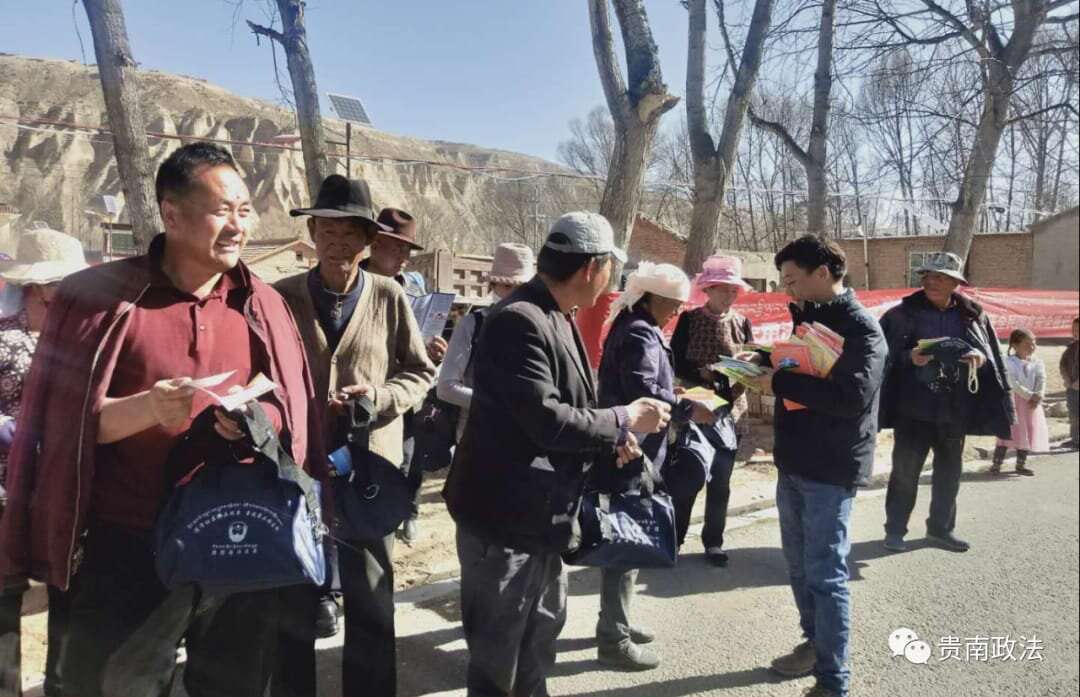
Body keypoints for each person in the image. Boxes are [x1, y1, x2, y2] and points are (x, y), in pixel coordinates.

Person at [0, 142, 323, 697]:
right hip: (127, 544)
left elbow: (292, 413)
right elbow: (61, 430)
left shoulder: (263, 304)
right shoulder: (100, 298)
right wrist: (147, 407)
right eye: (223, 209)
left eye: (245, 210)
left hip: (237, 537)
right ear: (171, 213)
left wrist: (254, 418)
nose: (238, 226)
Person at [443, 212, 672, 697]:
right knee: (499, 653)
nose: (614, 279)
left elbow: (572, 407)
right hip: (503, 519)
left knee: (540, 633)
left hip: (542, 513)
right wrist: (624, 418)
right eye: (612, 267)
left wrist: (613, 436)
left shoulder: (556, 315)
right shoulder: (519, 320)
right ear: (592, 267)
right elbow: (545, 419)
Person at [275, 175, 436, 697]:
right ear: (312, 233)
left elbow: (418, 372)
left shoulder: (389, 296)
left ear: (369, 242)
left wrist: (379, 398)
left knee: (369, 594)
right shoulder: (282, 297)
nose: (337, 243)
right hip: (298, 465)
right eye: (327, 230)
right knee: (295, 590)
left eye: (350, 233)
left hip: (369, 468)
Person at [745, 235, 886, 697]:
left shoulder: (862, 330)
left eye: (792, 280)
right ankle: (814, 643)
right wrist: (762, 360)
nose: (786, 290)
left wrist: (777, 382)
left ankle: (834, 678)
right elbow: (803, 366)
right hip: (794, 460)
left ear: (822, 273)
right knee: (800, 568)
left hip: (831, 466)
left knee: (825, 573)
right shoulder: (808, 316)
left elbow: (850, 398)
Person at [595, 261, 716, 671]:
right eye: (675, 306)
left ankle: (618, 621)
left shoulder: (636, 328)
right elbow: (643, 392)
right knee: (626, 543)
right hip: (632, 450)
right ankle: (613, 639)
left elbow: (648, 385)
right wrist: (686, 408)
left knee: (628, 542)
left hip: (632, 446)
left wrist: (672, 390)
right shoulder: (641, 334)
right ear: (654, 298)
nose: (677, 314)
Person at [0, 228, 87, 697]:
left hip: (64, 487)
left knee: (69, 594)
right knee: (4, 596)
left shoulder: (84, 338)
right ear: (35, 289)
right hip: (5, 488)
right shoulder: (2, 336)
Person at [879, 252, 1013, 554]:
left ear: (955, 282)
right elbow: (879, 356)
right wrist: (907, 357)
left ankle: (941, 530)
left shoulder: (973, 315)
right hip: (913, 410)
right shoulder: (900, 315)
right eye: (926, 275)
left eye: (938, 276)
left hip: (955, 409)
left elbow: (991, 354)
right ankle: (895, 531)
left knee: (949, 475)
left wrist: (980, 358)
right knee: (904, 473)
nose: (929, 281)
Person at [362, 207, 447, 545]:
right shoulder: (356, 283)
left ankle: (407, 512)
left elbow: (419, 347)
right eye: (396, 248)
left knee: (409, 460)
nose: (403, 258)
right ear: (374, 243)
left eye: (407, 250)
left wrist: (432, 352)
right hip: (368, 389)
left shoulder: (413, 288)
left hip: (407, 393)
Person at [670, 254, 755, 566]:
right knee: (687, 479)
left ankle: (714, 542)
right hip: (696, 409)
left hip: (730, 411)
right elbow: (674, 362)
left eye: (734, 290)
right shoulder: (689, 320)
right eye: (723, 289)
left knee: (720, 482)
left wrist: (744, 371)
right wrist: (701, 372)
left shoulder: (743, 322)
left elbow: (753, 362)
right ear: (707, 289)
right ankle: (675, 540)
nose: (730, 295)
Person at [437, 242, 535, 443]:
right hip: (476, 438)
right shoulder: (472, 325)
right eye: (507, 286)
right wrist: (497, 404)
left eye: (521, 287)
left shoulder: (538, 329)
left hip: (523, 441)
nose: (514, 295)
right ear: (493, 286)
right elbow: (446, 387)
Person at [991, 328, 1048, 475]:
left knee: (1027, 431)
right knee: (1009, 432)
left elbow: (1041, 379)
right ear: (1015, 345)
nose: (1032, 347)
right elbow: (1013, 383)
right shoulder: (1008, 362)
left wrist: (1038, 395)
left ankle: (1021, 464)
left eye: (1033, 343)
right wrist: (1030, 396)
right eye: (1027, 344)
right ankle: (997, 463)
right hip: (1015, 402)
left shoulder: (1037, 362)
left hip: (1031, 404)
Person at [1060, 317, 1079, 449]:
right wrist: (1066, 378)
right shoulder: (1071, 347)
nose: (1075, 332)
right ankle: (1075, 439)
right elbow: (1063, 364)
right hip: (1071, 388)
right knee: (1073, 414)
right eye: (1074, 329)